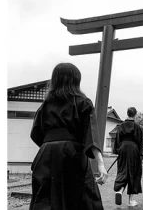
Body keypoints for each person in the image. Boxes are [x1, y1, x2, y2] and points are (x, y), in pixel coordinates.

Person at [29, 63, 108, 210]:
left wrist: (49, 146)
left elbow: (35, 133)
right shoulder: (82, 102)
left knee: (46, 199)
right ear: (76, 80)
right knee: (82, 198)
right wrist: (101, 164)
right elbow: (91, 132)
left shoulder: (45, 105)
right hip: (72, 155)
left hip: (45, 156)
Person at [113, 107, 143, 207]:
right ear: (135, 115)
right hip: (134, 149)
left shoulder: (121, 126)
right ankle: (131, 201)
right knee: (133, 172)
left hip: (123, 148)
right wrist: (141, 154)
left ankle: (120, 190)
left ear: (127, 114)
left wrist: (117, 151)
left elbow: (117, 139)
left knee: (122, 170)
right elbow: (140, 141)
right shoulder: (137, 126)